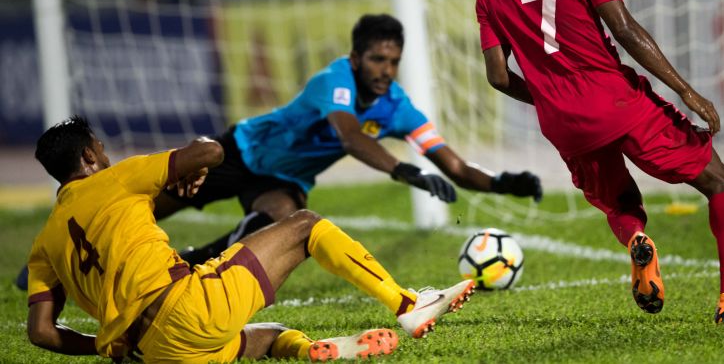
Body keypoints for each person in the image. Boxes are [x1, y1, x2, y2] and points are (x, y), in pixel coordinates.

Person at [475, 0, 724, 324]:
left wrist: (547, 97)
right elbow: (624, 29)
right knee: (721, 181)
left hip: (563, 123)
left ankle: (638, 238)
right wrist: (685, 90)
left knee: (619, 203)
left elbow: (498, 76)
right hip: (617, 101)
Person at [26, 116, 475, 362]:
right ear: (89, 156)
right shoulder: (118, 178)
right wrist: (195, 165)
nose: (106, 153)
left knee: (266, 336)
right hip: (185, 307)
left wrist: (107, 343)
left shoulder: (44, 243)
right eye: (101, 148)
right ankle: (407, 304)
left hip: (150, 354)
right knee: (304, 224)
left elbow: (42, 333)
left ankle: (312, 351)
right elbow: (213, 151)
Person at [155, 13, 543, 265]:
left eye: (393, 61)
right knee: (150, 209)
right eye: (377, 59)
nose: (386, 70)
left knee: (286, 223)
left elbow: (454, 166)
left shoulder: (398, 108)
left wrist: (503, 183)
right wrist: (405, 171)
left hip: (283, 181)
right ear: (356, 59)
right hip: (241, 151)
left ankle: (194, 262)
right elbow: (350, 137)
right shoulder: (334, 79)